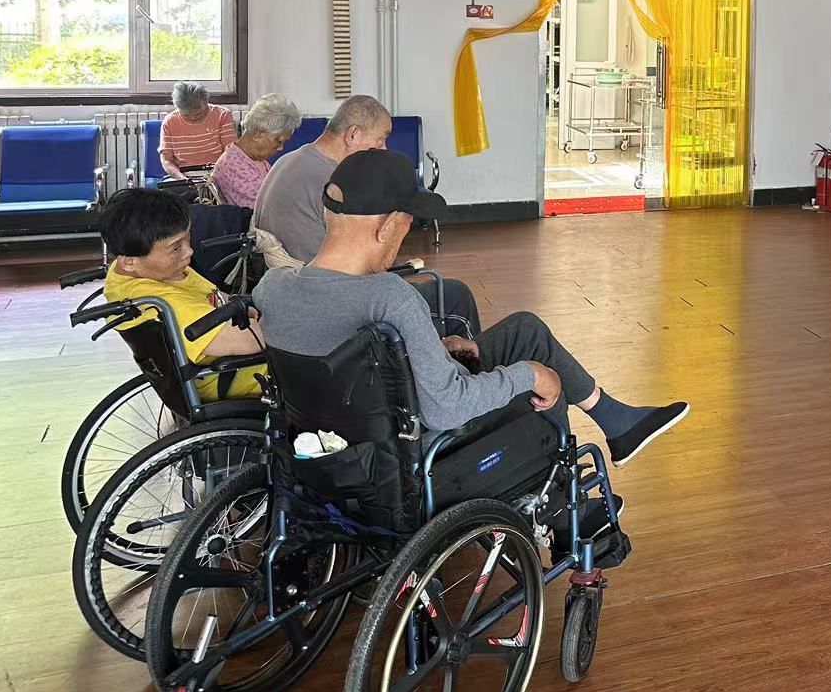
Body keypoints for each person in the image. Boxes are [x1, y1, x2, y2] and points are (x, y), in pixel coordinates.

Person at [253, 150, 689, 466]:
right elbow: (447, 409)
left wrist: (434, 349)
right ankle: (560, 506)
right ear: (387, 227)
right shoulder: (389, 297)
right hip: (421, 446)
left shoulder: (272, 288)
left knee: (524, 329)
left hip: (342, 442)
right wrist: (530, 375)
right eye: (408, 225)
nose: (406, 236)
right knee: (540, 377)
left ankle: (616, 420)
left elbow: (350, 358)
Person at [253, 94, 479, 332]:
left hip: (288, 289)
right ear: (353, 134)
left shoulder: (288, 161)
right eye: (381, 139)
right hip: (328, 301)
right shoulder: (338, 184)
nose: (383, 149)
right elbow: (368, 261)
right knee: (455, 296)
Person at [100, 188, 265, 398]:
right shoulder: (168, 304)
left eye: (188, 239)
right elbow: (249, 341)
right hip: (240, 377)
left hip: (227, 354)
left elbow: (214, 295)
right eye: (176, 248)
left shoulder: (141, 271)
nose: (189, 251)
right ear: (129, 261)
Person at [211, 93, 302, 209]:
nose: (280, 148)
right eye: (279, 141)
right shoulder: (236, 169)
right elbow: (272, 211)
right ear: (257, 134)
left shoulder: (250, 157)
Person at [158, 81, 235, 179]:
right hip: (183, 175)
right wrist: (182, 179)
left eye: (198, 113)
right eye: (186, 115)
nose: (193, 118)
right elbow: (167, 160)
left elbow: (230, 152)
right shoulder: (169, 121)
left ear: (206, 103)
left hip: (217, 172)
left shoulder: (222, 115)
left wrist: (214, 175)